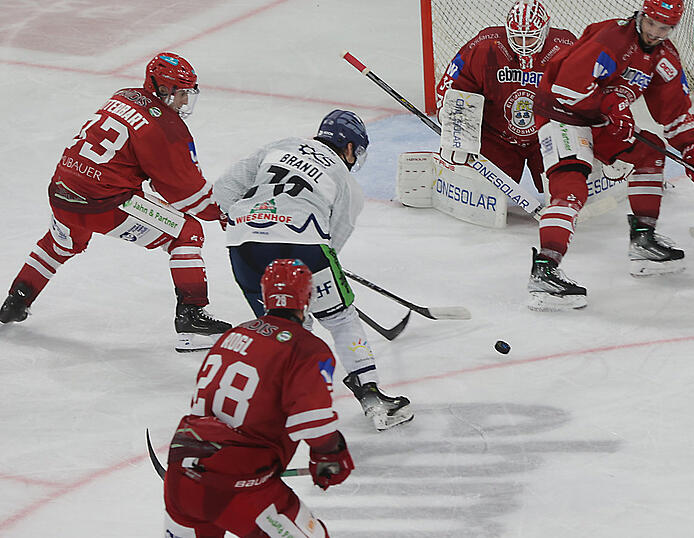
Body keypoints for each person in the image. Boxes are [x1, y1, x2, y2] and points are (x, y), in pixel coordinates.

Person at [0, 51, 231, 351]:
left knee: (61, 243)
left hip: (62, 189)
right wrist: (223, 211)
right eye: (181, 93)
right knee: (187, 232)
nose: (185, 102)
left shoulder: (124, 96)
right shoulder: (164, 128)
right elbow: (188, 195)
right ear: (161, 88)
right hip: (105, 203)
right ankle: (191, 318)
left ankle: (17, 299)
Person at [213, 109, 413, 431]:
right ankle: (370, 395)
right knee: (341, 317)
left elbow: (223, 190)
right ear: (349, 148)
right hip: (302, 242)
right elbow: (333, 240)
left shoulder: (280, 145)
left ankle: (279, 405)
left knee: (284, 327)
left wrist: (246, 222)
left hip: (243, 243)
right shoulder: (347, 182)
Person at [526, 0, 694, 311]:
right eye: (652, 23)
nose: (656, 33)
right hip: (561, 114)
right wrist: (610, 104)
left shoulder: (664, 57)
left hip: (603, 120)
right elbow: (566, 87)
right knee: (571, 187)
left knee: (649, 154)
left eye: (665, 27)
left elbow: (674, 114)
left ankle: (644, 240)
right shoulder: (611, 38)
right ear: (641, 15)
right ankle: (545, 271)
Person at [163, 259, 354, 538]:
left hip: (181, 474)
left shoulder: (233, 334)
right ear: (307, 297)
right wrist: (330, 453)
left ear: (265, 295)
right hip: (239, 486)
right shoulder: (307, 347)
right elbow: (312, 422)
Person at [435, 0, 577, 194]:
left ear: (545, 30)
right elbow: (453, 86)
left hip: (547, 137)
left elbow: (589, 96)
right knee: (482, 194)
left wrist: (599, 140)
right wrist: (457, 129)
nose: (525, 45)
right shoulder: (486, 47)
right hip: (497, 138)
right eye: (518, 38)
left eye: (531, 38)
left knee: (567, 188)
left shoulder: (566, 49)